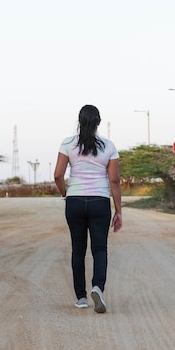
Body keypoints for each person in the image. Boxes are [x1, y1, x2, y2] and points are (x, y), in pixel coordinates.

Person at [54, 104, 122, 313]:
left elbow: (57, 175)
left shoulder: (68, 143)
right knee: (99, 249)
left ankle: (81, 298)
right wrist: (119, 210)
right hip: (99, 201)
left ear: (79, 121)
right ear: (98, 122)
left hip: (74, 200)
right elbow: (114, 180)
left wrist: (66, 193)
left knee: (78, 249)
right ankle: (98, 288)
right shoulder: (109, 146)